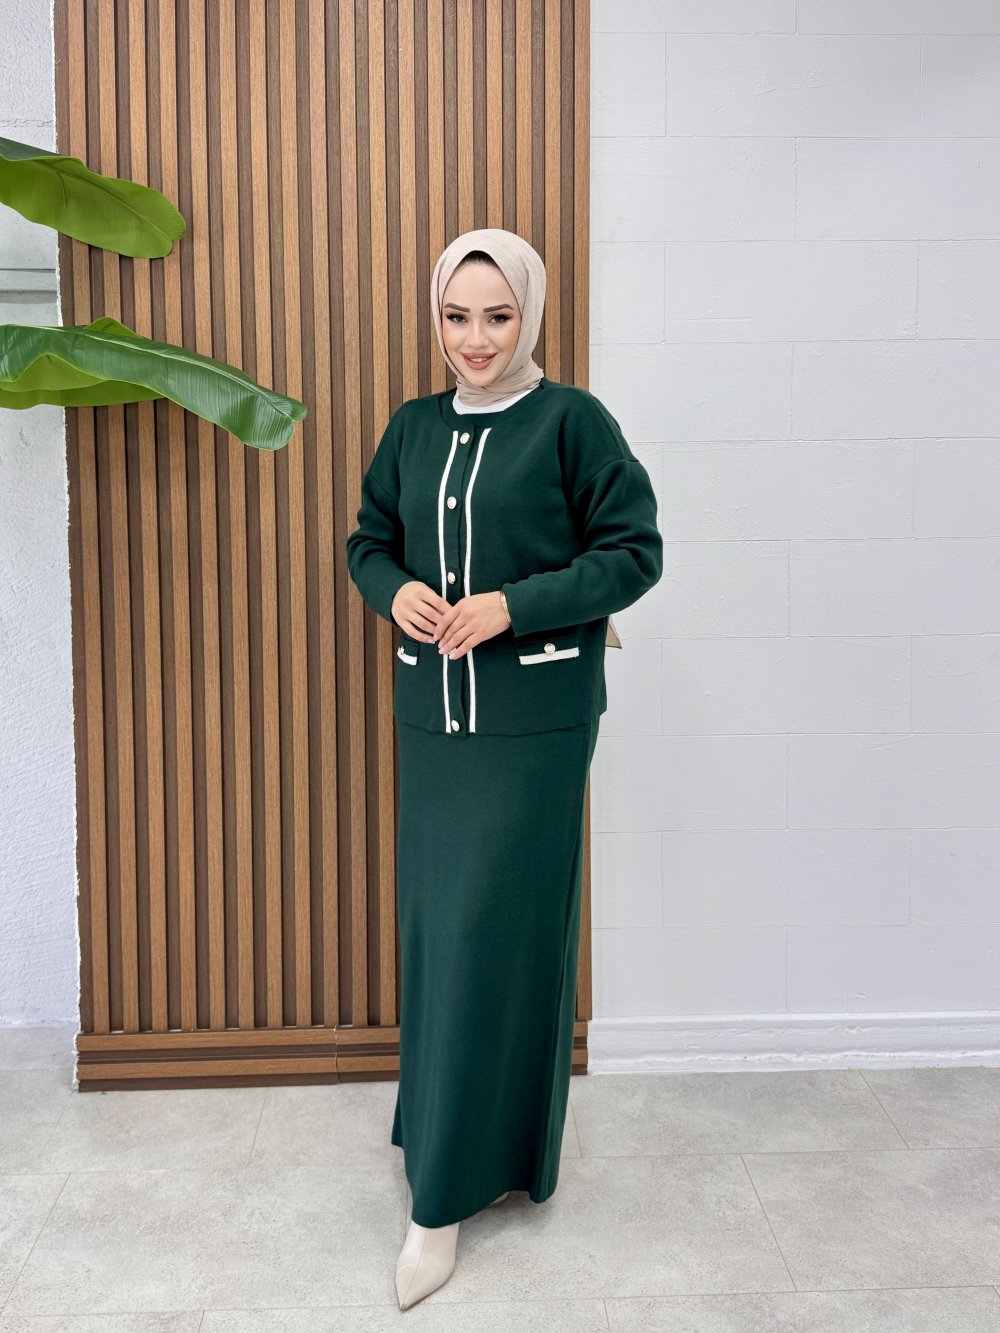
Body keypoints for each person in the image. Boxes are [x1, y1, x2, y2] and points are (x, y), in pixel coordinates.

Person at [345, 227, 663, 1310]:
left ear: (529, 314)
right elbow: (368, 540)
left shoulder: (573, 421)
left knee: (498, 933)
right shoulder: (412, 426)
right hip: (433, 723)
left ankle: (442, 1196)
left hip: (535, 727)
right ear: (435, 316)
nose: (475, 339)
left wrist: (511, 606)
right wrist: (393, 588)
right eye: (456, 316)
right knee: (440, 932)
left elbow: (633, 552)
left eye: (498, 315)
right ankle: (446, 1129)